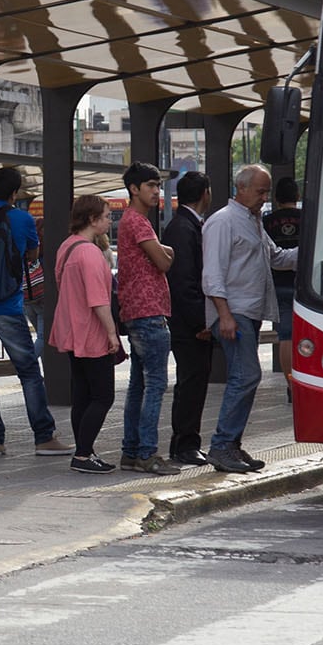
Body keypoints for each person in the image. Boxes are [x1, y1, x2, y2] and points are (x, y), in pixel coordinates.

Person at [201, 165, 297, 474]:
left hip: (249, 311)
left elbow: (277, 258)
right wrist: (224, 315)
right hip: (234, 312)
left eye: (267, 192)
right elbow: (212, 274)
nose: (265, 198)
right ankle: (222, 445)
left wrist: (311, 249)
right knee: (246, 375)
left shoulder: (253, 222)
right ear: (241, 189)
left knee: (246, 376)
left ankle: (230, 443)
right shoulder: (223, 222)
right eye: (260, 192)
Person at [0, 167, 70, 456]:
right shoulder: (22, 219)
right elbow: (32, 255)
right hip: (10, 306)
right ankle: (43, 436)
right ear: (15, 193)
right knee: (28, 372)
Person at [116, 164, 183, 476]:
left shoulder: (129, 222)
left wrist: (164, 250)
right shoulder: (139, 222)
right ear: (134, 189)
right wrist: (165, 252)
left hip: (134, 312)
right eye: (152, 186)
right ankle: (147, 453)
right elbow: (163, 262)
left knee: (138, 385)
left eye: (158, 186)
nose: (157, 191)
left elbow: (162, 253)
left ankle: (131, 452)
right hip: (150, 312)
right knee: (156, 384)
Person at [49, 195, 120, 475]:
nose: (109, 220)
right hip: (91, 332)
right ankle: (82, 453)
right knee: (102, 396)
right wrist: (112, 333)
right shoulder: (89, 253)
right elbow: (98, 300)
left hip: (71, 329)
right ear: (92, 219)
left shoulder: (67, 247)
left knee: (82, 394)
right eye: (106, 216)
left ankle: (85, 451)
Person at [161, 171, 215, 465]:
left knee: (193, 382)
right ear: (205, 193)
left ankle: (186, 441)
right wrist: (201, 323)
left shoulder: (186, 225)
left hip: (189, 320)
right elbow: (184, 283)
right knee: (191, 383)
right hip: (188, 324)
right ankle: (184, 444)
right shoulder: (183, 228)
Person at [260, 176, 303, 389]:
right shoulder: (307, 218)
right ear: (297, 196)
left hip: (277, 285)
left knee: (285, 336)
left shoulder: (266, 221)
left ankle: (290, 385)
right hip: (304, 286)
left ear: (276, 198)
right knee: (305, 335)